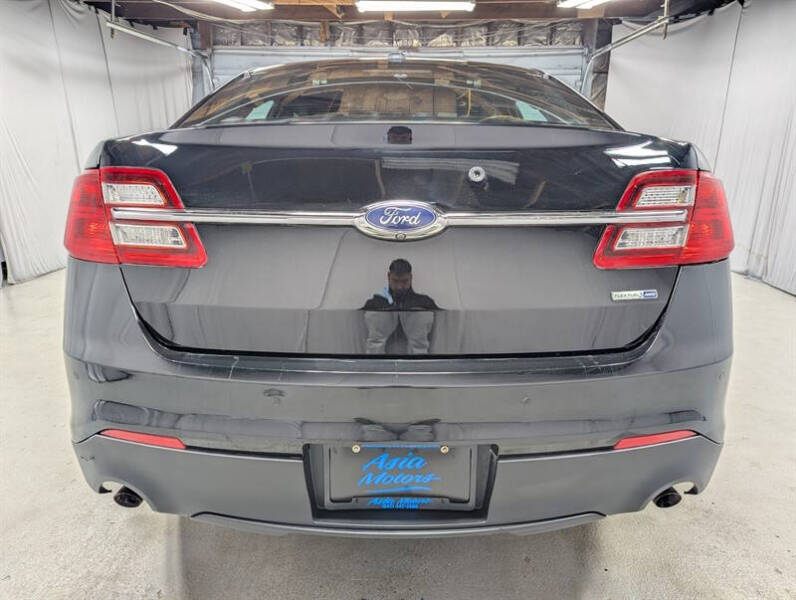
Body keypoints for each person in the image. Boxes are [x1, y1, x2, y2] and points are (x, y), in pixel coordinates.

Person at [362, 259, 438, 354]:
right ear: (389, 276)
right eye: (395, 281)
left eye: (404, 281)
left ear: (411, 277)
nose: (399, 286)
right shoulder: (375, 303)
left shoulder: (425, 303)